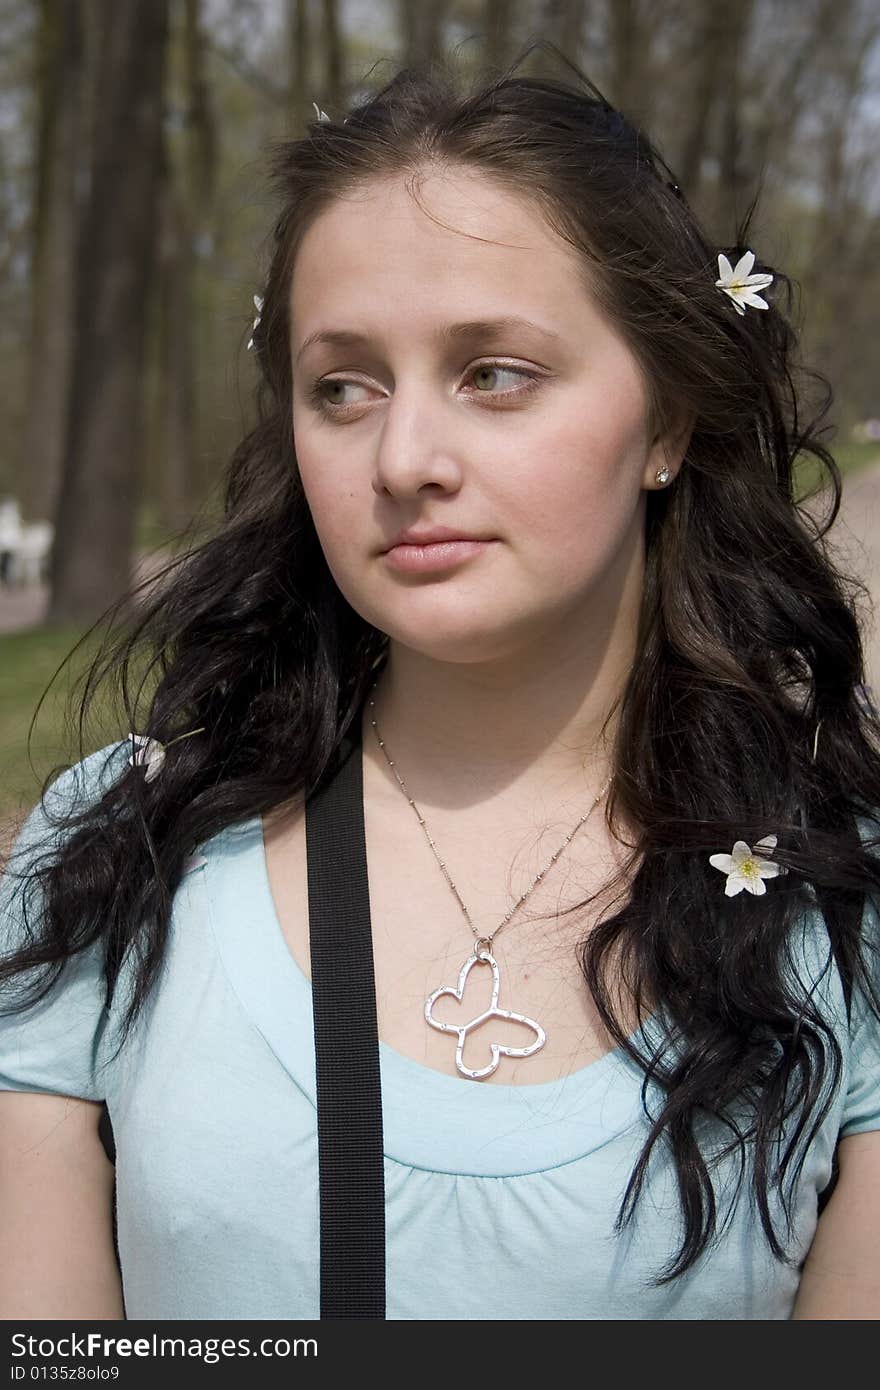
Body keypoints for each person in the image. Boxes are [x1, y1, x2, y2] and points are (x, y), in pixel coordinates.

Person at [2, 52, 880, 1322]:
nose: (404, 457)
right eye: (342, 387)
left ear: (670, 420)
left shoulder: (838, 904)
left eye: (494, 374)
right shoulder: (117, 855)